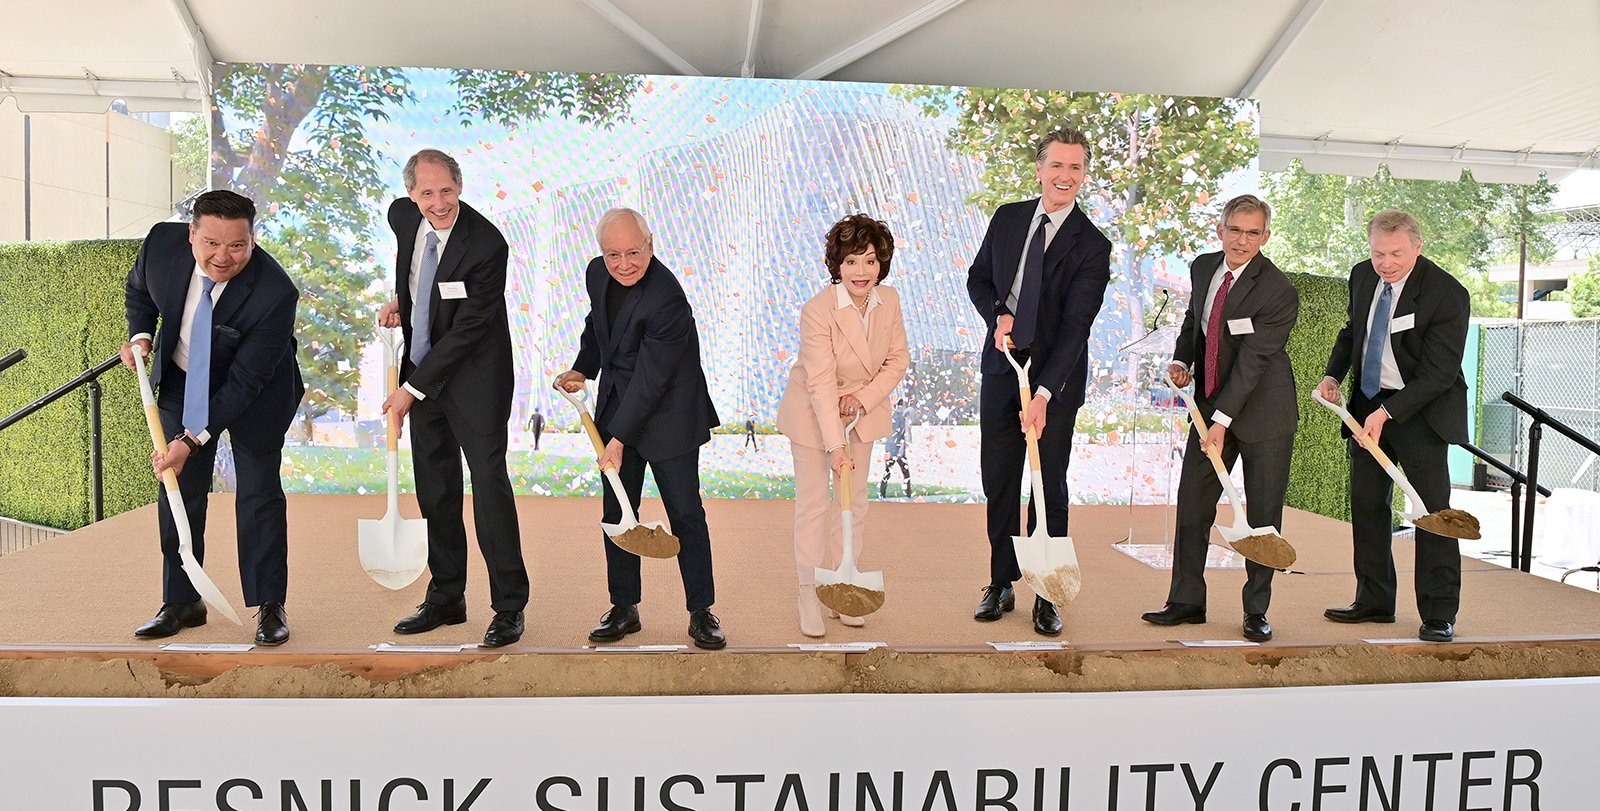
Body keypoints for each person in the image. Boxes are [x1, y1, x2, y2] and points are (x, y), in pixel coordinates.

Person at [121, 189, 304, 645]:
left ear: (252, 240)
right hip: (184, 378)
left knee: (259, 493)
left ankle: (269, 605)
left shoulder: (275, 294)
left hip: (256, 392)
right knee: (178, 490)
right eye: (212, 244)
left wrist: (190, 439)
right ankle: (182, 600)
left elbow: (244, 385)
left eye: (237, 246)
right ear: (191, 235)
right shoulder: (161, 246)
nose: (223, 257)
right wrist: (141, 335)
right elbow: (139, 291)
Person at [556, 208, 727, 650]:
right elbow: (599, 325)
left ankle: (701, 611)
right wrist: (582, 367)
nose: (624, 263)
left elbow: (653, 380)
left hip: (670, 411)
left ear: (650, 245)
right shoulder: (598, 273)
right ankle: (624, 607)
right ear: (601, 253)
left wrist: (617, 440)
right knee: (617, 512)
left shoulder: (667, 298)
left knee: (685, 513)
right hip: (618, 404)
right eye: (613, 254)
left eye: (633, 252)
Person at [378, 148, 528, 649]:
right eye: (427, 193)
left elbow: (468, 327)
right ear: (411, 195)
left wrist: (410, 389)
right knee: (435, 488)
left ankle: (509, 606)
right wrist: (404, 299)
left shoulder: (486, 244)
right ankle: (446, 596)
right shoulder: (404, 217)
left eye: (446, 191)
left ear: (460, 186)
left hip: (476, 378)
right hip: (422, 371)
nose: (438, 203)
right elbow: (426, 277)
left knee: (487, 487)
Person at [965, 127, 1112, 636]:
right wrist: (997, 316)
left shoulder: (1093, 246)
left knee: (1048, 483)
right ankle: (1001, 581)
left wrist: (1046, 392)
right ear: (1040, 169)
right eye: (1057, 166)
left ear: (1084, 175)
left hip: (1055, 379)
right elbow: (978, 278)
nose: (1065, 176)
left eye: (1075, 168)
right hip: (1002, 368)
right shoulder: (1007, 218)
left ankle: (1048, 592)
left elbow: (1076, 327)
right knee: (1000, 479)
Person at [1140, 194, 1299, 642]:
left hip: (1264, 414)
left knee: (1263, 515)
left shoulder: (1278, 291)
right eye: (1235, 230)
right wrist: (1181, 361)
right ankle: (1186, 601)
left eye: (1253, 233)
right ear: (1220, 230)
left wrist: (1222, 420)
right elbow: (1197, 321)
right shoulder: (1203, 267)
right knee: (1193, 503)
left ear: (1265, 237)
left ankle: (1255, 611)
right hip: (1210, 407)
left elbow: (1254, 361)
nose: (1242, 240)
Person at [1317, 209, 1471, 642]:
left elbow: (1439, 375)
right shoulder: (1362, 276)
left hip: (1423, 410)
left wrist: (1387, 415)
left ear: (1418, 247)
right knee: (1368, 505)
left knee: (1431, 512)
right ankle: (1374, 600)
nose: (1386, 263)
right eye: (1379, 253)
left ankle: (1439, 613)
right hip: (1369, 402)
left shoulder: (1447, 294)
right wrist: (1333, 375)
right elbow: (1353, 331)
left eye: (1397, 254)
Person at [776, 214, 910, 637]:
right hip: (814, 415)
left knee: (855, 504)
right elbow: (818, 381)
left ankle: (843, 583)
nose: (861, 271)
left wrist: (864, 399)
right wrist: (835, 447)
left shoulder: (890, 300)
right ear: (837, 265)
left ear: (881, 264)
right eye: (851, 261)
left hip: (860, 414)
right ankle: (808, 591)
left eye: (870, 261)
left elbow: (897, 360)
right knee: (815, 505)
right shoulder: (817, 310)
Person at [881, 401, 912, 499]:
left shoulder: (892, 417)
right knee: (905, 473)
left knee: (887, 471)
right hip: (898, 450)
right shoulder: (901, 418)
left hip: (891, 450)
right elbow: (901, 434)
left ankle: (882, 493)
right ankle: (908, 493)